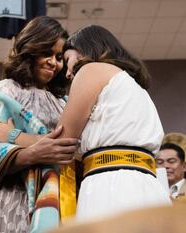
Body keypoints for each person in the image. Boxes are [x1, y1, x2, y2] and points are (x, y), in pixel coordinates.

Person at [0, 16, 79, 233]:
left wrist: (15, 137)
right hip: (11, 198)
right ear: (30, 49)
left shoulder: (63, 101)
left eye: (59, 57)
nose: (54, 62)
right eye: (46, 52)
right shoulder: (6, 90)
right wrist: (34, 154)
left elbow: (68, 147)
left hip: (55, 198)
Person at [59, 24, 171, 221]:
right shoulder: (137, 88)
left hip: (111, 184)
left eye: (67, 60)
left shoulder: (91, 70)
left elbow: (60, 141)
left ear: (84, 50)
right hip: (148, 186)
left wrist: (11, 136)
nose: (67, 73)